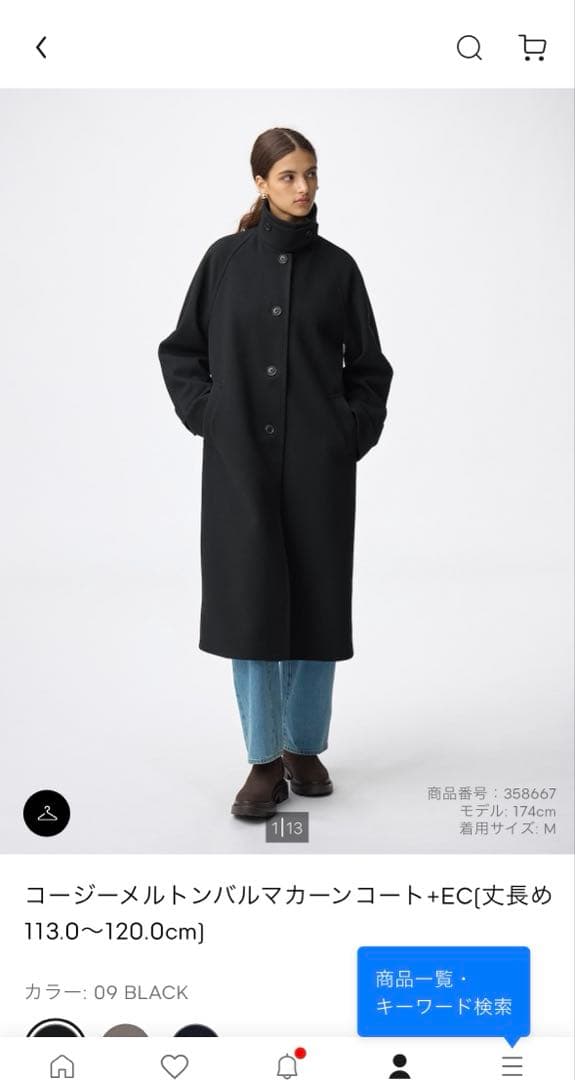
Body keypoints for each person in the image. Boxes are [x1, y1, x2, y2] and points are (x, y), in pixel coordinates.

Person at [158, 127, 393, 819]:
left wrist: (347, 432)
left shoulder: (339, 269)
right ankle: (262, 759)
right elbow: (181, 352)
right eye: (288, 175)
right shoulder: (223, 261)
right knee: (250, 607)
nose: (303, 187)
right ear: (260, 183)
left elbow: (370, 369)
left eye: (310, 174)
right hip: (240, 466)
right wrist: (210, 414)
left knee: (317, 602)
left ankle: (303, 747)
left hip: (319, 468)